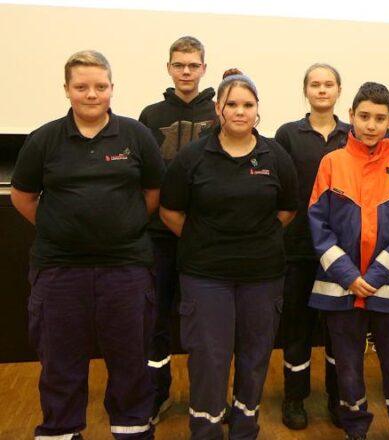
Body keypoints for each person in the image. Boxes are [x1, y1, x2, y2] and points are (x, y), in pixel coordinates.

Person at [11, 50, 163, 439]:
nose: (91, 94)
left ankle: (131, 429)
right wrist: (60, 229)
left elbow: (153, 191)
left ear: (112, 88)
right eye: (81, 87)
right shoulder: (43, 139)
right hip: (60, 272)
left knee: (130, 365)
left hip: (126, 269)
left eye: (100, 86)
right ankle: (61, 430)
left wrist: (121, 226)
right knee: (60, 366)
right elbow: (23, 196)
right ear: (67, 90)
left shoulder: (136, 136)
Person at [159, 69, 299, 439]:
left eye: (248, 104)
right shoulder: (192, 157)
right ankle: (205, 430)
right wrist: (206, 239)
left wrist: (255, 237)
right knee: (209, 359)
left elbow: (287, 210)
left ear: (257, 110)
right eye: (232, 104)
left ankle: (244, 428)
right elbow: (170, 211)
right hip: (205, 276)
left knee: (255, 358)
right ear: (218, 108)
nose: (240, 111)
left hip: (263, 276)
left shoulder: (276, 156)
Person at [308, 82, 389, 440]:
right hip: (341, 290)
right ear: (351, 117)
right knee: (348, 368)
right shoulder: (331, 163)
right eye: (364, 117)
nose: (371, 125)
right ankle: (355, 429)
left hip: (388, 288)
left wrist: (373, 276)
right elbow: (318, 224)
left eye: (379, 118)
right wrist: (347, 275)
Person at [138, 35, 217, 423]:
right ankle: (156, 394)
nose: (186, 71)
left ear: (204, 68)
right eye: (179, 64)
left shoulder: (221, 112)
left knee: (206, 321)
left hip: (206, 240)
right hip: (158, 237)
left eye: (193, 65)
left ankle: (209, 399)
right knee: (156, 320)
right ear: (169, 68)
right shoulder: (150, 116)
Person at [274, 63, 348, 430]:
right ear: (306, 91)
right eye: (315, 84)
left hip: (343, 251)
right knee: (298, 326)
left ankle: (339, 399)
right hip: (299, 246)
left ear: (338, 91)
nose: (322, 90)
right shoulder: (288, 134)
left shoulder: (353, 135)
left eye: (328, 84)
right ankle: (294, 397)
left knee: (338, 329)